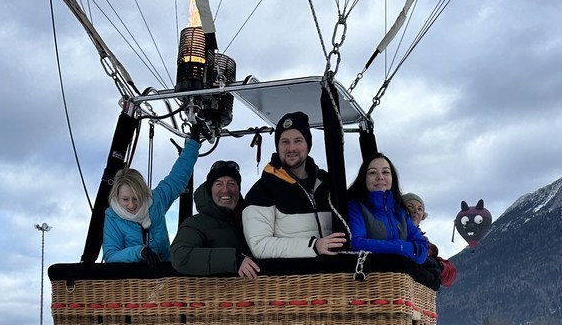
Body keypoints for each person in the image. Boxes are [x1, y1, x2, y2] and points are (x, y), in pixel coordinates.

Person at [241, 111, 347, 259]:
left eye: (298, 141)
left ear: (308, 145)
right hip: (292, 273)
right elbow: (260, 245)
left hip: (334, 271)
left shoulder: (328, 183)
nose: (291, 148)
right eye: (285, 142)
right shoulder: (262, 190)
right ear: (277, 146)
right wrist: (313, 246)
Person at [102, 136, 201, 264]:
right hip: (132, 275)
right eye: (125, 199)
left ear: (143, 194)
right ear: (116, 195)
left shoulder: (156, 201)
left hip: (164, 270)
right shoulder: (113, 217)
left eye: (136, 198)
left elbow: (178, 176)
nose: (131, 205)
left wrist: (193, 143)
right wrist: (139, 252)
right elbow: (111, 255)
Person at [170, 160, 261, 279]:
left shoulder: (252, 221)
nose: (225, 190)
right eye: (219, 184)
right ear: (210, 190)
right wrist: (233, 260)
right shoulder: (196, 224)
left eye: (231, 183)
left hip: (262, 289)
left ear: (238, 189)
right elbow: (180, 257)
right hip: (217, 290)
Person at [345, 153, 431, 264]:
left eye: (385, 172)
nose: (380, 177)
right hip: (370, 272)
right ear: (364, 178)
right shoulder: (356, 207)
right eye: (372, 172)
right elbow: (357, 244)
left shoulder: (400, 212)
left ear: (392, 178)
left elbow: (422, 248)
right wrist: (400, 247)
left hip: (399, 274)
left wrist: (401, 248)